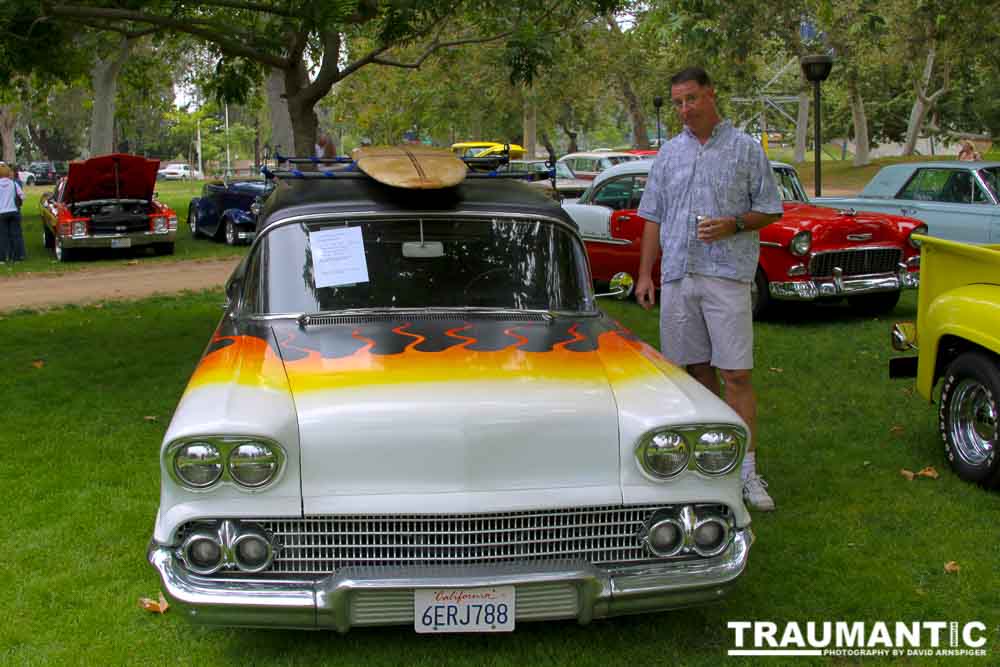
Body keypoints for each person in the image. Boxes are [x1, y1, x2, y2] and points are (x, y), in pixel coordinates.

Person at [635, 66, 784, 511]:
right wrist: (646, 274)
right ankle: (703, 465)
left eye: (691, 99)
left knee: (735, 373)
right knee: (692, 374)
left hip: (727, 275)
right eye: (678, 102)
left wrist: (734, 223)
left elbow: (770, 209)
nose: (684, 109)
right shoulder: (668, 155)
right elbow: (652, 216)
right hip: (679, 275)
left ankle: (747, 473)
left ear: (710, 95)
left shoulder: (745, 149)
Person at [0, 163, 26, 264]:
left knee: (2, 236)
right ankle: (17, 257)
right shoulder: (13, 184)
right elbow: (23, 196)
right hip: (14, 211)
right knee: (16, 235)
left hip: (1, 213)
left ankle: (2, 258)